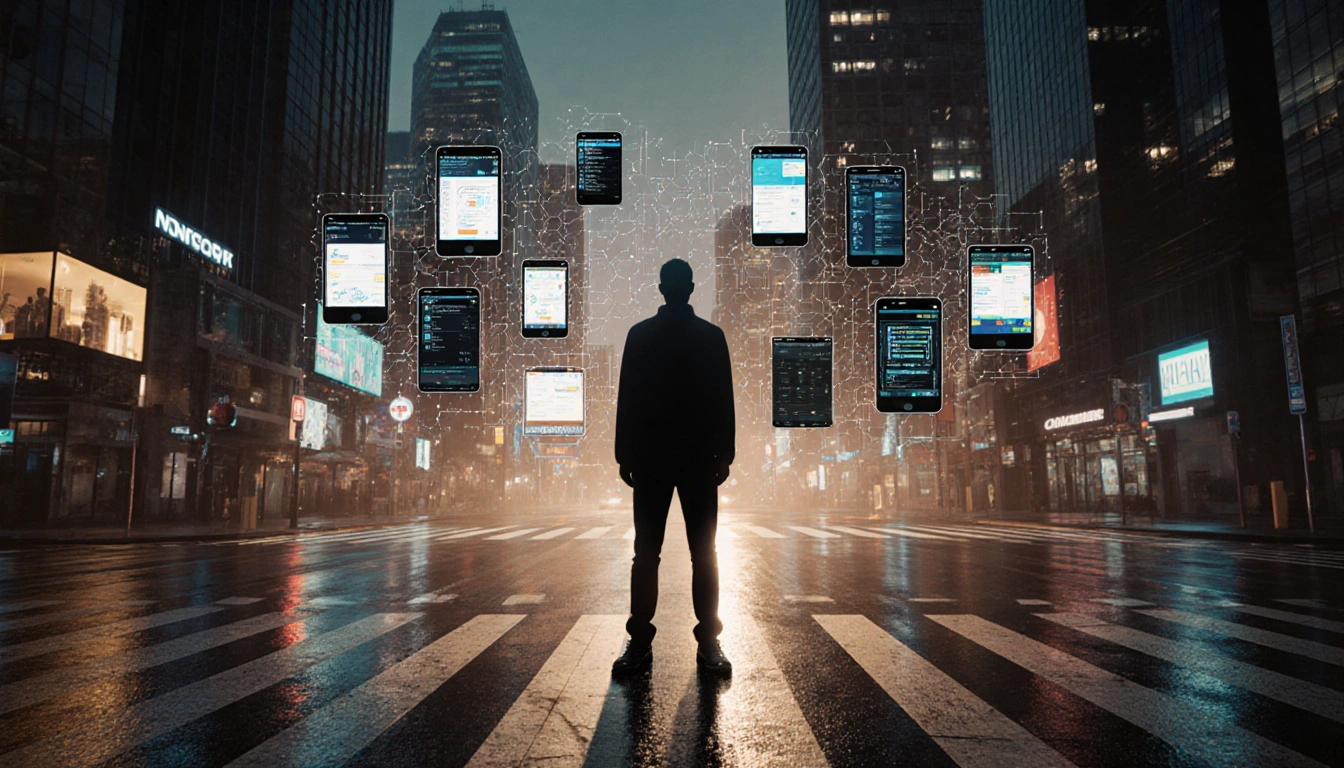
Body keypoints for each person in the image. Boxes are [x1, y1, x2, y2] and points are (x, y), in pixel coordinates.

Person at [612, 258, 735, 677]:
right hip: (698, 457)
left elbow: (625, 398)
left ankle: (640, 641)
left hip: (652, 456)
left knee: (646, 554)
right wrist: (726, 454)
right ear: (689, 288)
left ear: (661, 288)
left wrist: (623, 453)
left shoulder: (640, 336)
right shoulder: (711, 336)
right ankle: (709, 642)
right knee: (705, 554)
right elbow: (725, 400)